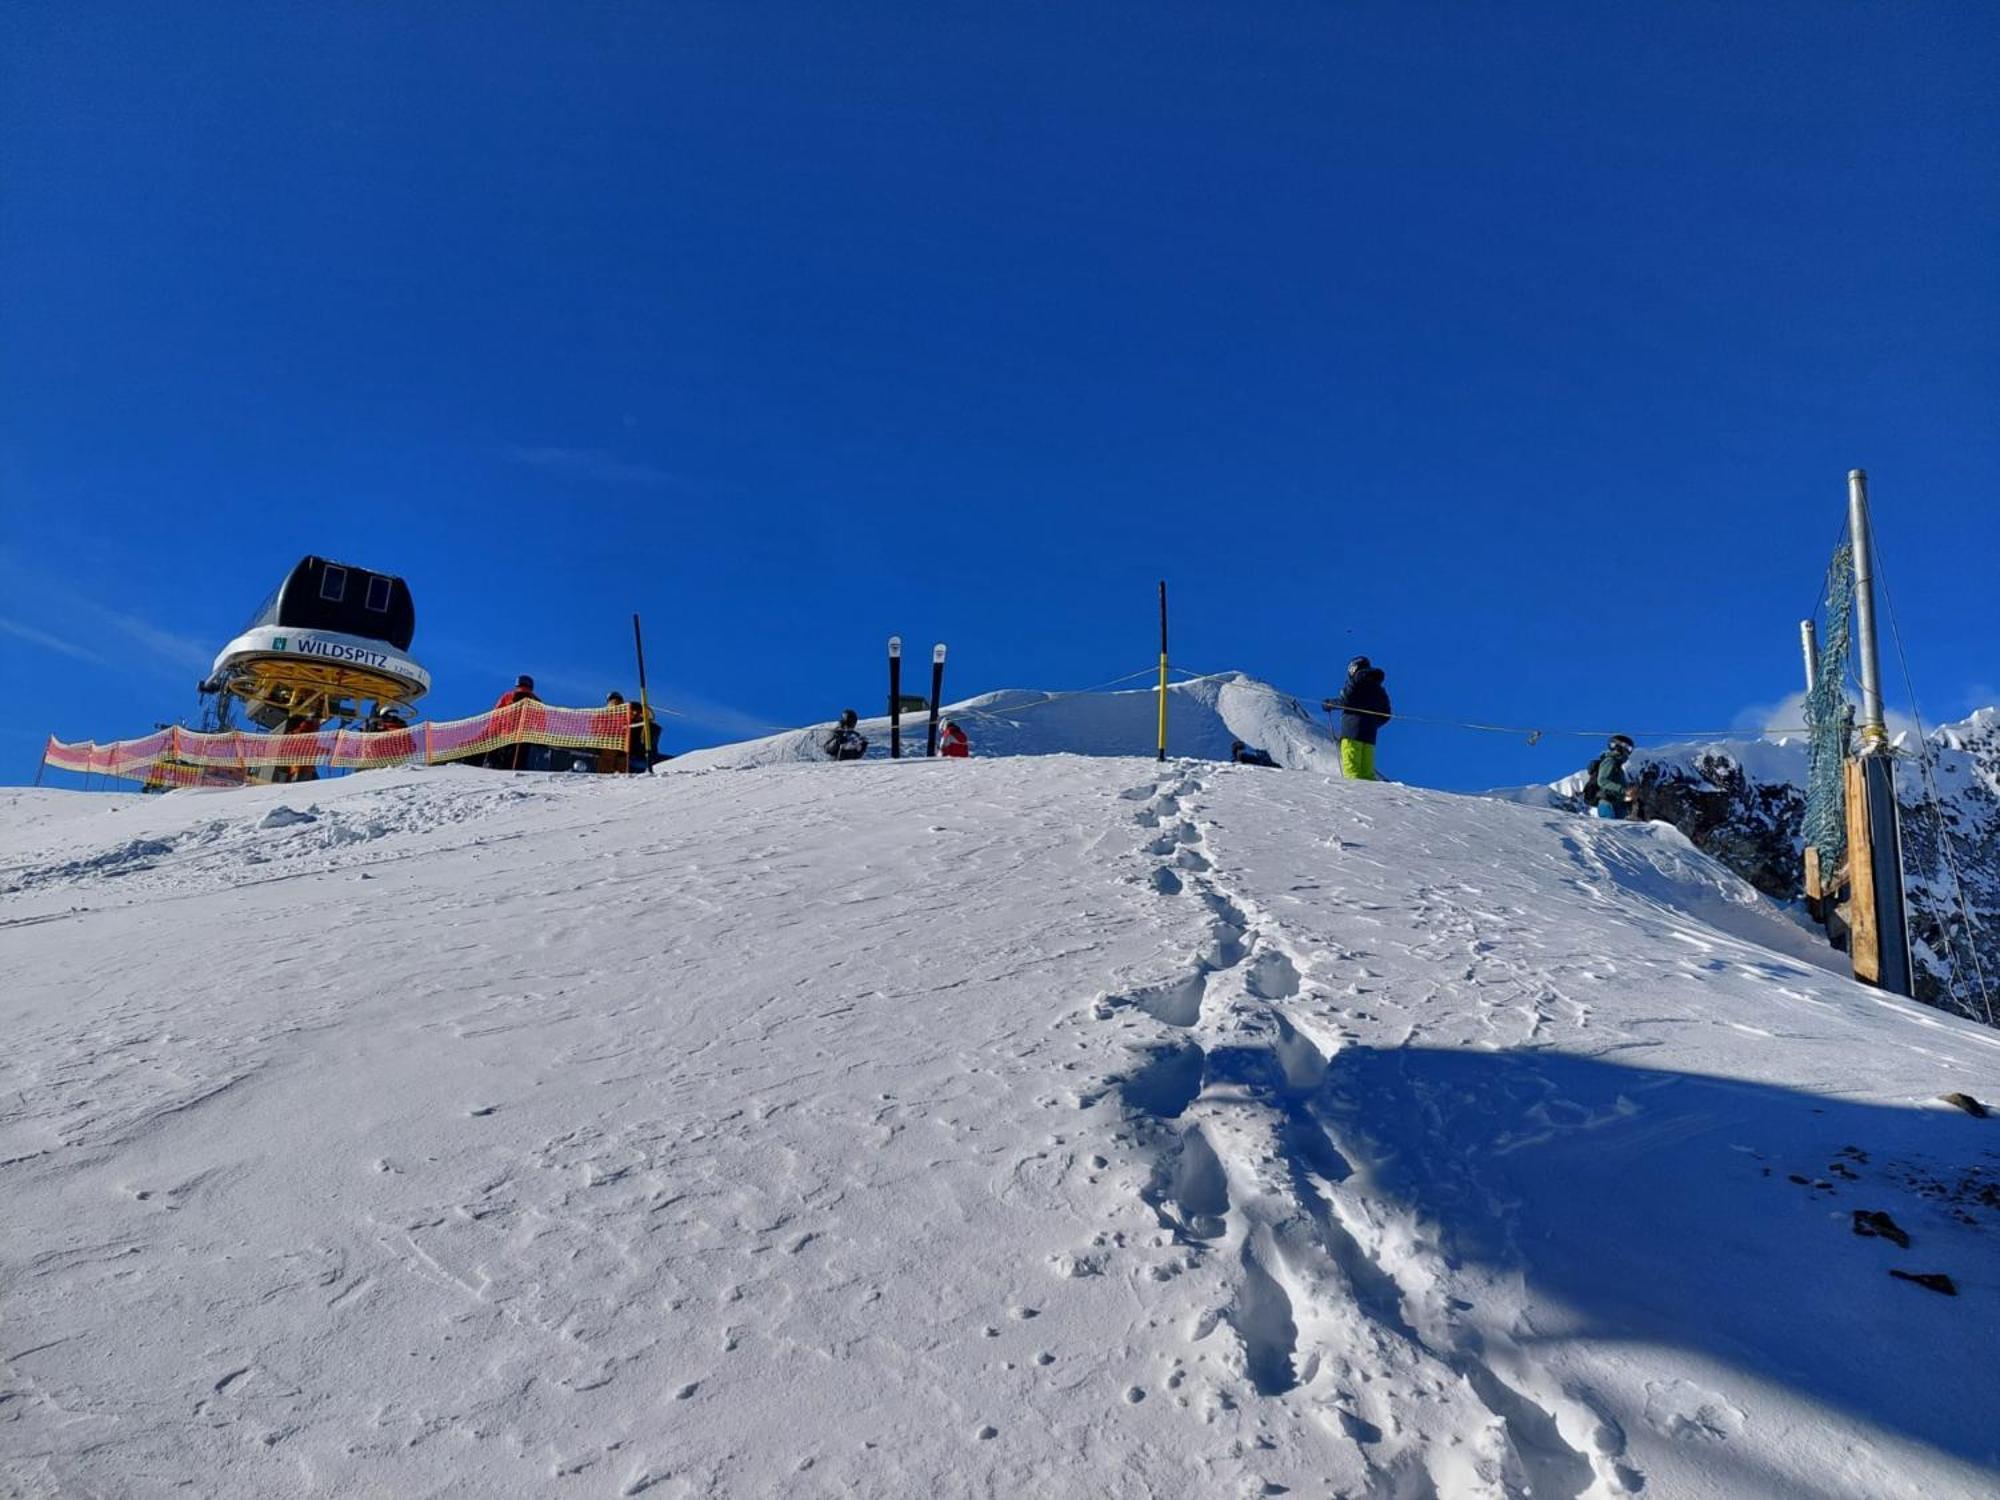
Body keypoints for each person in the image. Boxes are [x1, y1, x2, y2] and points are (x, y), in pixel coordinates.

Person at [1322, 656, 1390, 780]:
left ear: (1354, 668)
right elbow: (1386, 714)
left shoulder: (1355, 681)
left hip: (1351, 732)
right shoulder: (1379, 688)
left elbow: (1346, 700)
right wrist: (1372, 723)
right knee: (1367, 774)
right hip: (1370, 736)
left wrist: (1329, 704)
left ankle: (1354, 798)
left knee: (1352, 771)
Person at [489, 674, 542, 770]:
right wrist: (538, 735)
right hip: (525, 735)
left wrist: (494, 731)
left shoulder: (508, 696)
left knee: (503, 757)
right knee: (520, 759)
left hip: (506, 733)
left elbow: (496, 714)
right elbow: (540, 721)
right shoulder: (536, 701)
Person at [603, 691, 662, 772]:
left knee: (616, 758)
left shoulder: (648, 727)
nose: (634, 714)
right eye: (632, 712)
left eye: (637, 712)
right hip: (633, 758)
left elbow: (642, 744)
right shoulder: (628, 724)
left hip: (639, 759)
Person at [1587, 734, 1638, 819]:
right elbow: (1602, 781)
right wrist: (1623, 790)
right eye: (1627, 748)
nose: (1628, 752)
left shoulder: (1618, 766)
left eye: (1630, 749)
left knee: (1620, 830)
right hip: (1608, 802)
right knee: (1611, 828)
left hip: (1617, 803)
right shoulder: (1609, 761)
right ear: (1619, 747)